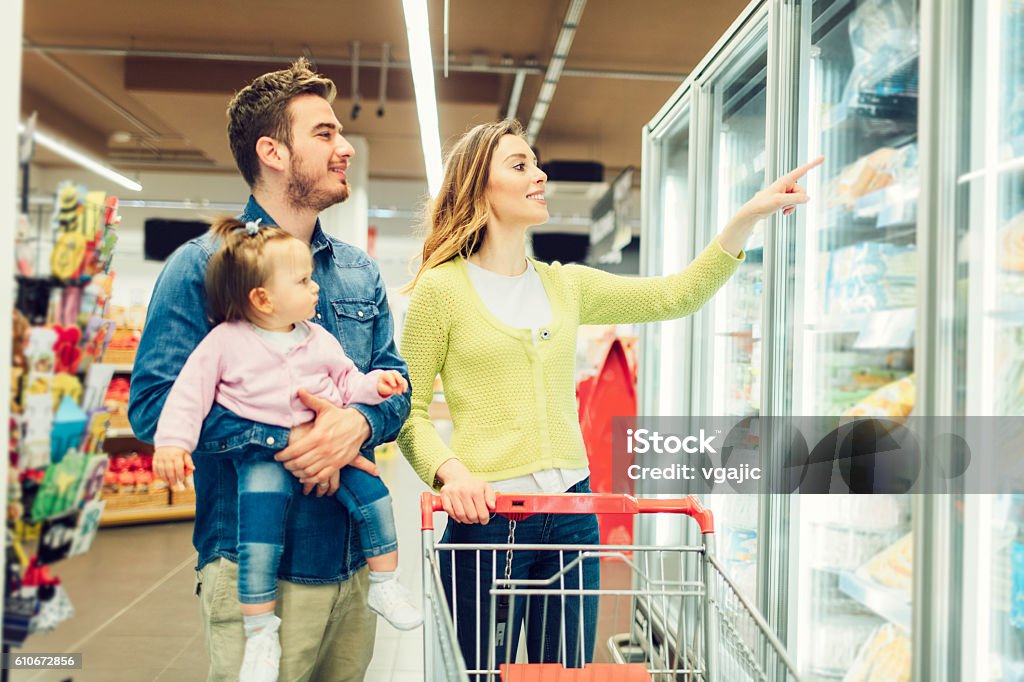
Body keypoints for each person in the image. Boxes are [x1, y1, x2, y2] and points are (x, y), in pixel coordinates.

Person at [397, 119, 821, 674]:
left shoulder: (564, 285)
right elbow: (407, 412)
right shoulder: (441, 289)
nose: (540, 174)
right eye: (520, 165)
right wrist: (451, 474)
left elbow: (678, 294)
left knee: (569, 674)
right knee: (475, 671)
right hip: (487, 520)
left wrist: (745, 220)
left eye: (535, 161)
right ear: (479, 187)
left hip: (574, 512)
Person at [128, 58, 411, 682]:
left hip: (355, 564)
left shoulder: (359, 271)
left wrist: (358, 424)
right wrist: (288, 440)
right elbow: (154, 405)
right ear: (272, 151)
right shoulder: (202, 267)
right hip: (257, 566)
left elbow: (396, 385)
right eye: (325, 134)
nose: (345, 149)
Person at [151, 216, 421, 680]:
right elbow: (180, 396)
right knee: (260, 538)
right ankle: (260, 634)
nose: (313, 287)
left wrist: (377, 389)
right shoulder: (223, 339)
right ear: (262, 297)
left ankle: (384, 582)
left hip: (344, 512)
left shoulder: (319, 333)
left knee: (376, 499)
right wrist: (173, 444)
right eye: (302, 281)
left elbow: (348, 379)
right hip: (260, 462)